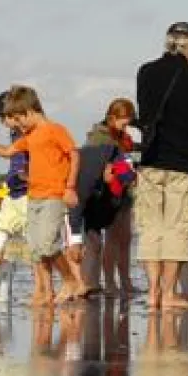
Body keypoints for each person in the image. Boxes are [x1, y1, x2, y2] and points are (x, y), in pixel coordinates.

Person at [0, 85, 82, 304]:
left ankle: (70, 280)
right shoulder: (30, 135)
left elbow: (74, 155)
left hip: (54, 194)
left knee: (46, 243)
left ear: (30, 110)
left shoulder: (55, 130)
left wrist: (70, 187)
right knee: (35, 248)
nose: (17, 124)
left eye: (18, 118)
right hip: (34, 195)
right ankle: (45, 292)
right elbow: (8, 152)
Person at [135, 21, 188, 308]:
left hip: (149, 163)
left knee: (150, 229)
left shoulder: (145, 72)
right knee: (176, 230)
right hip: (184, 164)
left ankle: (152, 293)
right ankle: (170, 293)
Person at [0, 91, 40, 301]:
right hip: (12, 195)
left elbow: (36, 162)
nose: (1, 122)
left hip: (28, 196)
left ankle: (40, 290)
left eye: (2, 117)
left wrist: (27, 174)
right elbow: (10, 154)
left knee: (34, 246)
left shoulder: (32, 134)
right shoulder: (15, 135)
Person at [65, 123, 135, 296]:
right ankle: (80, 284)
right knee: (80, 244)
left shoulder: (118, 162)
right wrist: (74, 238)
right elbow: (76, 206)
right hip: (73, 195)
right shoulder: (88, 171)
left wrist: (122, 180)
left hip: (99, 200)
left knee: (95, 242)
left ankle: (91, 284)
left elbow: (128, 176)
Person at [89, 99, 137, 298]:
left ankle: (126, 280)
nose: (126, 127)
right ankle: (109, 281)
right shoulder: (99, 138)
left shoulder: (122, 138)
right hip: (109, 196)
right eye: (124, 123)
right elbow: (95, 166)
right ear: (111, 118)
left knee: (125, 238)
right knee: (113, 239)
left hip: (124, 195)